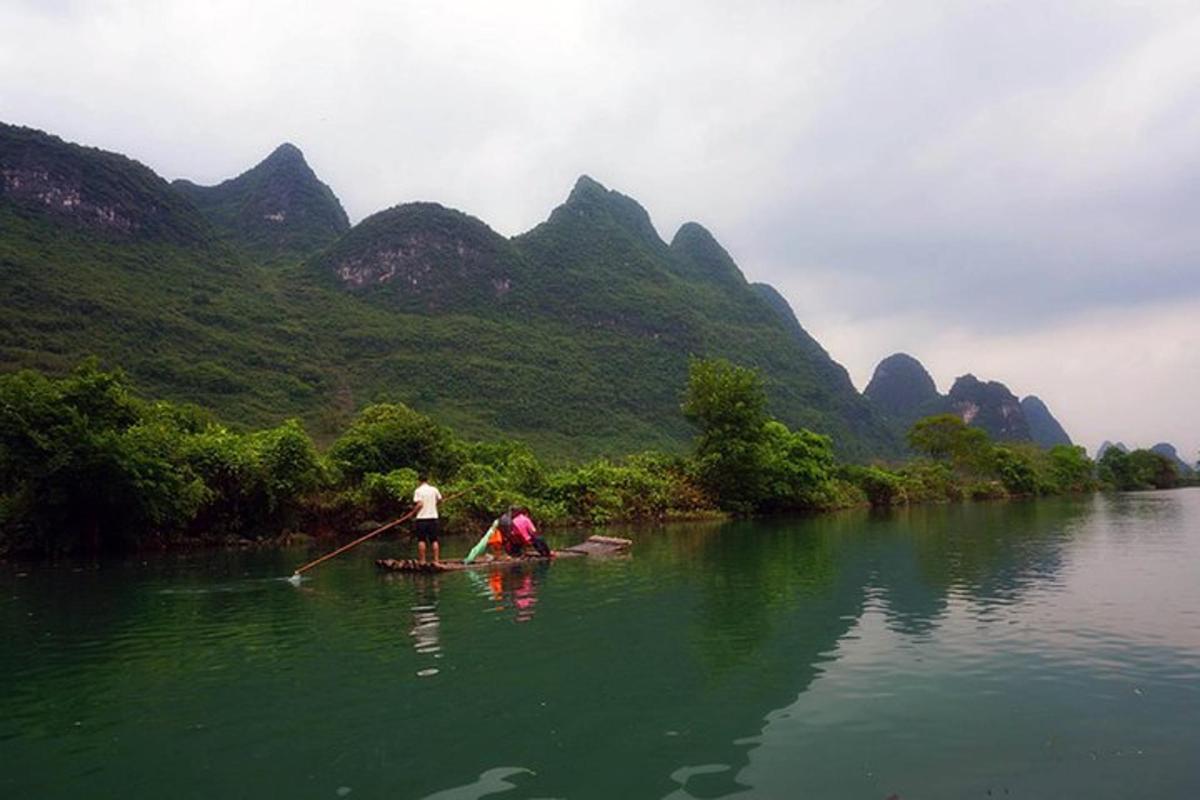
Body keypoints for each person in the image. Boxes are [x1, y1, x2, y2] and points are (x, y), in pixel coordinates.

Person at [412, 473, 443, 563]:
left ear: (419, 481)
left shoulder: (418, 491)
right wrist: (434, 503)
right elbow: (440, 500)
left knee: (421, 540)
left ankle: (422, 561)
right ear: (427, 480)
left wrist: (413, 513)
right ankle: (436, 561)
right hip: (433, 518)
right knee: (434, 540)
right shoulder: (434, 489)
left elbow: (420, 504)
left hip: (422, 519)